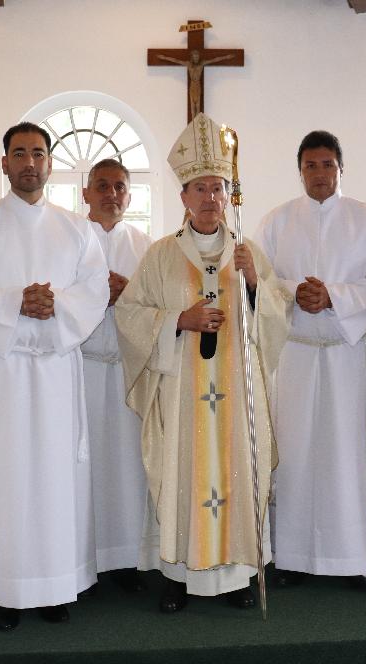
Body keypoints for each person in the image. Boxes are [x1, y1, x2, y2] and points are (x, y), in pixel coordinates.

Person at [116, 112, 291, 613]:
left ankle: (236, 577)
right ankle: (178, 575)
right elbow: (130, 313)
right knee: (182, 475)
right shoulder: (160, 256)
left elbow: (275, 318)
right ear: (184, 197)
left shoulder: (247, 252)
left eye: (218, 187)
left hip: (236, 390)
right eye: (200, 188)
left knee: (236, 474)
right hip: (181, 393)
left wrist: (254, 284)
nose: (210, 197)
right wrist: (179, 319)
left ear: (228, 195)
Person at [0, 122, 109, 631]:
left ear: (50, 163)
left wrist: (54, 306)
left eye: (38, 153)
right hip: (2, 371)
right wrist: (15, 302)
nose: (29, 163)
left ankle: (54, 586)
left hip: (55, 370)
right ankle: (8, 590)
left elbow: (95, 289)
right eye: (19, 153)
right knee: (6, 477)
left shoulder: (76, 228)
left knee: (53, 479)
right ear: (4, 163)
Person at [256, 130, 366, 592]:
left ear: (341, 168)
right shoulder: (277, 220)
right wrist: (295, 292)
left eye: (327, 164)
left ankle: (349, 558)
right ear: (300, 171)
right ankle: (292, 557)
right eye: (310, 165)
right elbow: (259, 280)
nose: (319, 173)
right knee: (294, 454)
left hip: (344, 353)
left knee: (345, 454)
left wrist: (331, 295)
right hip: (294, 352)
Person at [81, 158, 153, 593]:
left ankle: (127, 558)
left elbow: (161, 304)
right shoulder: (70, 238)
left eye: (120, 187)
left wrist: (129, 294)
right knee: (84, 464)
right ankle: (82, 558)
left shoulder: (147, 246)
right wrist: (95, 294)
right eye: (103, 186)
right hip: (82, 367)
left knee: (128, 466)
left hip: (129, 368)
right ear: (86, 193)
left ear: (129, 194)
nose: (111, 194)